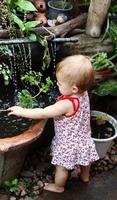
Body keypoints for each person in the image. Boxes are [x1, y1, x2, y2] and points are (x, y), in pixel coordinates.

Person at [7, 55, 99, 193]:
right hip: (83, 137)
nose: (57, 84)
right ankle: (85, 176)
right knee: (85, 160)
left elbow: (43, 113)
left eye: (60, 83)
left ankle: (58, 186)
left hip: (67, 144)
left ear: (74, 89)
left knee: (61, 168)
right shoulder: (84, 93)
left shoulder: (66, 104)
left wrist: (21, 111)